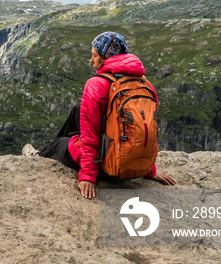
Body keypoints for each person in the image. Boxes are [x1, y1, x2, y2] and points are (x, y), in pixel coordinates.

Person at [23, 31, 176, 199]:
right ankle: (60, 149)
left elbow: (91, 137)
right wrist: (148, 169)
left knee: (61, 143)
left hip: (110, 168)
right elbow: (147, 128)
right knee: (78, 110)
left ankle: (39, 157)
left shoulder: (96, 85)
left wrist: (88, 176)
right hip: (134, 164)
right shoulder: (145, 84)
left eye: (94, 56)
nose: (91, 60)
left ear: (105, 58)